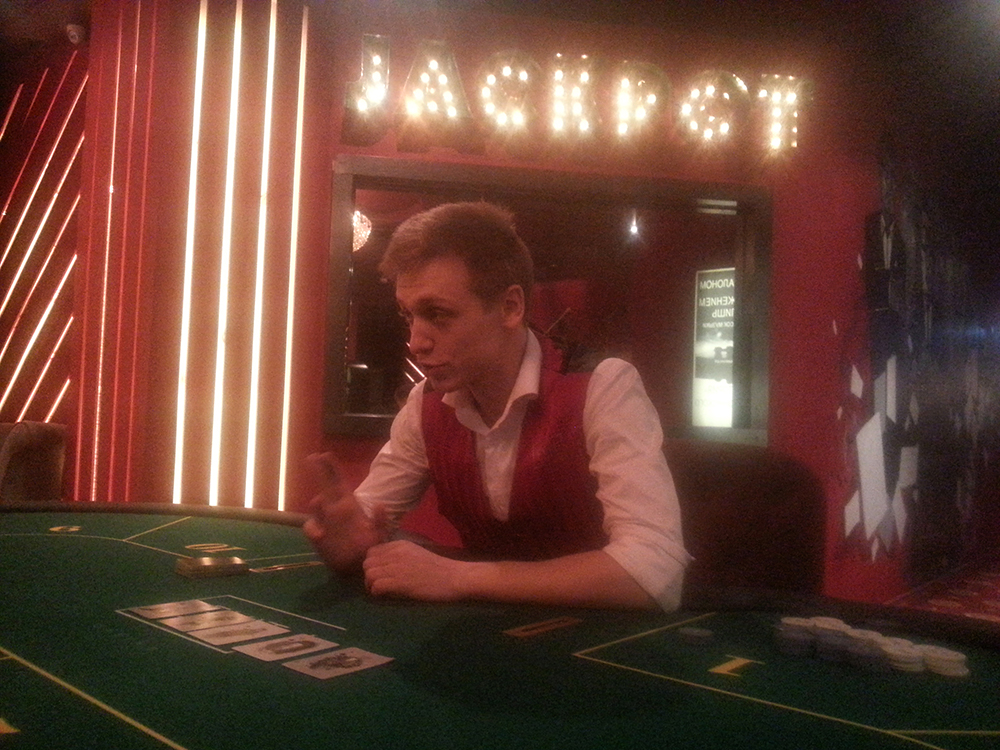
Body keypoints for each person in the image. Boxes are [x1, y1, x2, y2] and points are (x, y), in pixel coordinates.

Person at [303, 201, 689, 611]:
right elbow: (362, 524)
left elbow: (655, 572)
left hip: (605, 635)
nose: (416, 342)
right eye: (409, 316)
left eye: (438, 314)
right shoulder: (425, 405)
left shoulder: (602, 386)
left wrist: (457, 577)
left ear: (510, 307)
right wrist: (347, 543)